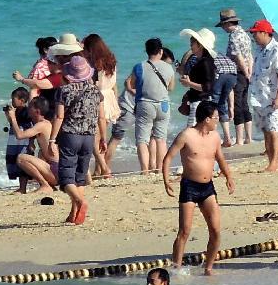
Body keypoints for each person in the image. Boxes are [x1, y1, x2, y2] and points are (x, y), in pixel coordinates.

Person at [162, 101, 235, 275]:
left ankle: (208, 267)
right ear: (206, 119)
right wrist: (166, 181)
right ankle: (176, 268)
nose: (217, 121)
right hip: (189, 187)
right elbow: (168, 158)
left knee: (216, 230)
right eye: (215, 118)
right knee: (185, 230)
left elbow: (220, 159)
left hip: (208, 187)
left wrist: (229, 177)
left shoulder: (215, 137)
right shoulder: (187, 135)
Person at [48, 56, 106, 225]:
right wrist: (103, 137)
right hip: (89, 136)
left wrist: (52, 140)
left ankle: (80, 203)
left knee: (66, 179)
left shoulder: (64, 91)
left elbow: (59, 116)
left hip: (70, 135)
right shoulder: (96, 91)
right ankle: (74, 213)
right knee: (80, 177)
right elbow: (101, 117)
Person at [126, 38, 175, 175]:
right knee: (161, 139)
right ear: (161, 51)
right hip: (164, 105)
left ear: (146, 51)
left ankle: (145, 170)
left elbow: (131, 83)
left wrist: (132, 91)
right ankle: (160, 169)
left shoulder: (139, 66)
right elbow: (171, 87)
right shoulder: (168, 68)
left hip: (145, 103)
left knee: (142, 139)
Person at [248, 20, 278, 172]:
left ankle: (274, 162)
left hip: (274, 98)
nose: (253, 36)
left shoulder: (277, 50)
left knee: (273, 130)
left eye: (255, 33)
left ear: (265, 33)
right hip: (260, 97)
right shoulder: (260, 49)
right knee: (266, 130)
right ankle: (270, 159)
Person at [82, 33, 119, 178]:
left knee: (95, 138)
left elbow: (93, 84)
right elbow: (114, 83)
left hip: (97, 98)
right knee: (102, 137)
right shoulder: (111, 60)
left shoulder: (93, 64)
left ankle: (103, 168)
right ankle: (99, 170)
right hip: (109, 97)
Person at [216, 9, 254, 145]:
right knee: (244, 103)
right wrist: (249, 72)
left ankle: (239, 139)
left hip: (237, 72)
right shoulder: (244, 34)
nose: (223, 28)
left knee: (237, 105)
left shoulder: (233, 36)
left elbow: (238, 57)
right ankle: (248, 137)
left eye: (223, 26)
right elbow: (249, 55)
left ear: (227, 24)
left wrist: (244, 71)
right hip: (246, 72)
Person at [7, 96, 56, 193]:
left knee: (21, 158)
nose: (27, 109)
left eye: (30, 107)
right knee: (40, 153)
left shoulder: (41, 125)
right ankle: (49, 185)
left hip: (56, 170)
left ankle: (45, 185)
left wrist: (13, 118)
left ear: (37, 112)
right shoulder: (44, 124)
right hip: (56, 170)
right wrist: (31, 142)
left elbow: (20, 135)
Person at [178, 28, 216, 127]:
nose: (190, 45)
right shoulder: (202, 61)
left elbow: (207, 87)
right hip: (200, 101)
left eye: (192, 42)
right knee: (198, 133)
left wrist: (189, 83)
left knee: (191, 132)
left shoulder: (205, 62)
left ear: (200, 45)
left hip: (200, 103)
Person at [4, 87, 33, 193]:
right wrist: (9, 115)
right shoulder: (15, 111)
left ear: (22, 100)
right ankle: (21, 187)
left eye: (13, 99)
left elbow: (30, 127)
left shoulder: (27, 112)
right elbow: (12, 123)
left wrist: (31, 142)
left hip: (23, 141)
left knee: (22, 164)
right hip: (14, 140)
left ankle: (23, 187)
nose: (12, 102)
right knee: (13, 160)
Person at [211, 50, 238, 147]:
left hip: (220, 74)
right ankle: (227, 139)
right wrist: (231, 106)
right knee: (222, 104)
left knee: (212, 105)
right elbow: (230, 90)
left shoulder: (205, 55)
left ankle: (212, 138)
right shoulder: (221, 54)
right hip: (233, 74)